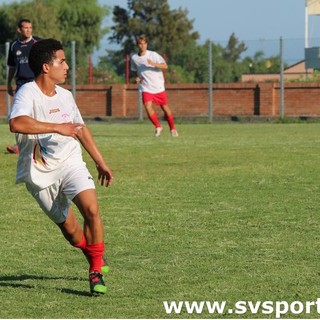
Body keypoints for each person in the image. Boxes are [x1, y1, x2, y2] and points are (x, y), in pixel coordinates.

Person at [8, 38, 113, 295]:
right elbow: (17, 123)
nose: (67, 66)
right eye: (62, 60)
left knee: (92, 209)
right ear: (46, 66)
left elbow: (80, 129)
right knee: (71, 231)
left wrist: (100, 161)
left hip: (70, 162)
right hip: (38, 173)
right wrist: (57, 126)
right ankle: (93, 253)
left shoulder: (66, 96)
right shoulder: (27, 93)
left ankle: (95, 271)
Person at [131, 35, 178, 137]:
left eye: (144, 43)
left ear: (147, 44)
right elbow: (135, 71)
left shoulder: (153, 55)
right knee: (147, 106)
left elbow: (165, 66)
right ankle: (158, 126)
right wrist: (137, 78)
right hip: (146, 87)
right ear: (137, 45)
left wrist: (154, 64)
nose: (142, 46)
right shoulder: (134, 58)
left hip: (158, 87)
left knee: (164, 107)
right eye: (140, 44)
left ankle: (173, 128)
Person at [6, 18, 41, 154]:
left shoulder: (37, 43)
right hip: (21, 84)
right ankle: (20, 145)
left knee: (38, 114)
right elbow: (12, 67)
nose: (28, 30)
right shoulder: (14, 45)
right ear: (19, 30)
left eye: (30, 28)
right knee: (20, 116)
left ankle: (40, 143)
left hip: (35, 83)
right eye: (25, 28)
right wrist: (9, 83)